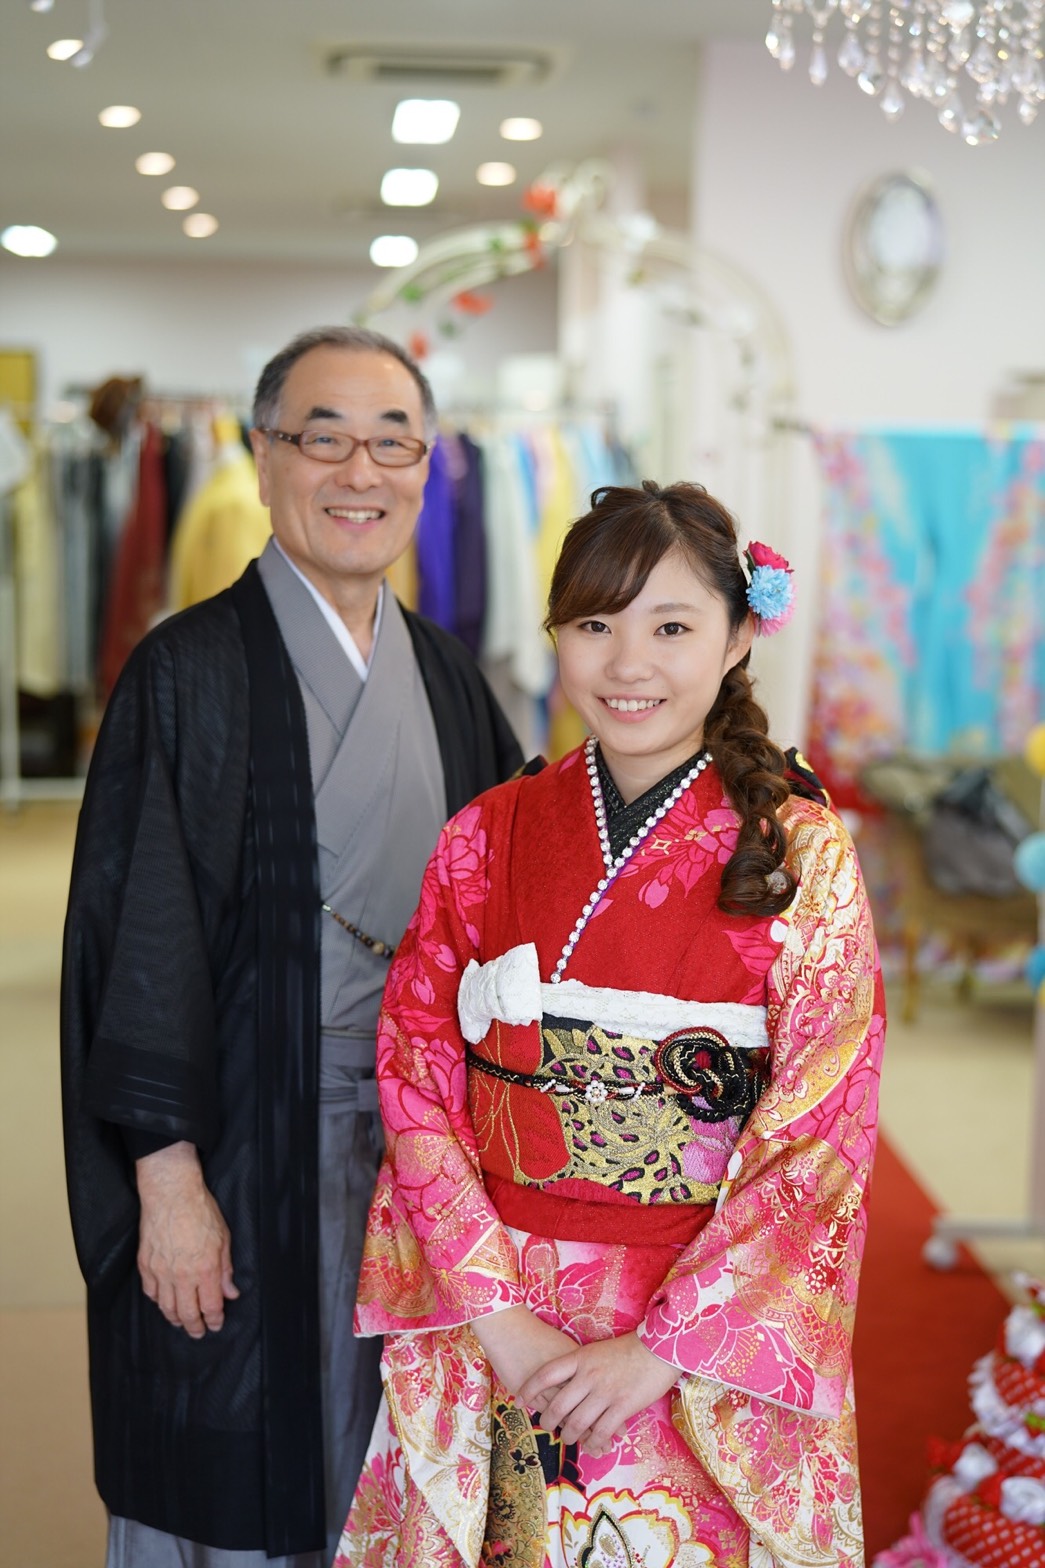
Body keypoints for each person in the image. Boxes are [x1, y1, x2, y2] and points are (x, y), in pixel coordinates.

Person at [335, 480, 885, 1567]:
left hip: (691, 1319)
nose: (628, 663)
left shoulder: (800, 853)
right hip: (505, 1300)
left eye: (671, 626)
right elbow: (415, 1073)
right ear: (556, 639)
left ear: (737, 638)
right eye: (594, 624)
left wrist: (662, 1350)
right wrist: (499, 1317)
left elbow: (820, 1129)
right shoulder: (485, 834)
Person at [60, 326, 523, 1567]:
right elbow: (136, 938)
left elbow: (521, 897)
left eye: (393, 442)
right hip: (245, 1135)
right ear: (264, 457)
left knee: (398, 1447)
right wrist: (167, 1188)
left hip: (420, 1150)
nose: (358, 471)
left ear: (428, 471)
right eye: (324, 435)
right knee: (238, 1432)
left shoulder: (447, 675)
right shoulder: (186, 671)